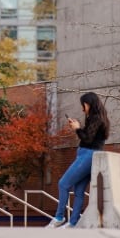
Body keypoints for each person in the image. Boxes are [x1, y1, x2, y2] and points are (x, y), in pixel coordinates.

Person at [46, 91, 110, 229]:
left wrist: (77, 129)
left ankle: (59, 216)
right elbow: (89, 135)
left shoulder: (96, 118)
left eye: (84, 104)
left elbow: (87, 138)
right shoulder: (97, 118)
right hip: (87, 154)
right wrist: (79, 126)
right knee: (79, 190)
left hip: (88, 155)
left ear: (89, 103)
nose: (83, 107)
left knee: (63, 184)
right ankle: (73, 222)